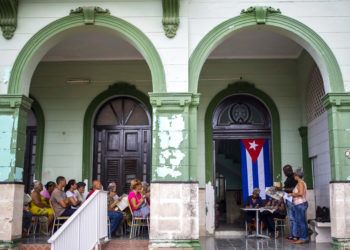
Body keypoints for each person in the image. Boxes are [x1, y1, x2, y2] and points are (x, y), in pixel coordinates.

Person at [289, 168, 309, 244]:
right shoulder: (300, 182)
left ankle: (303, 238)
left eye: (294, 175)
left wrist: (291, 194)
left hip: (300, 204)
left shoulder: (300, 183)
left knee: (301, 222)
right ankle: (305, 237)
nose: (294, 176)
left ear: (297, 175)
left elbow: (300, 193)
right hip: (300, 204)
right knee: (302, 221)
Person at [282, 164, 298, 240]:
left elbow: (294, 189)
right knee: (290, 218)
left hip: (292, 199)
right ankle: (292, 234)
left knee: (293, 218)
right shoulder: (288, 178)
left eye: (285, 172)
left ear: (289, 170)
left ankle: (295, 235)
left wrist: (283, 189)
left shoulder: (294, 177)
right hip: (288, 199)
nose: (284, 173)